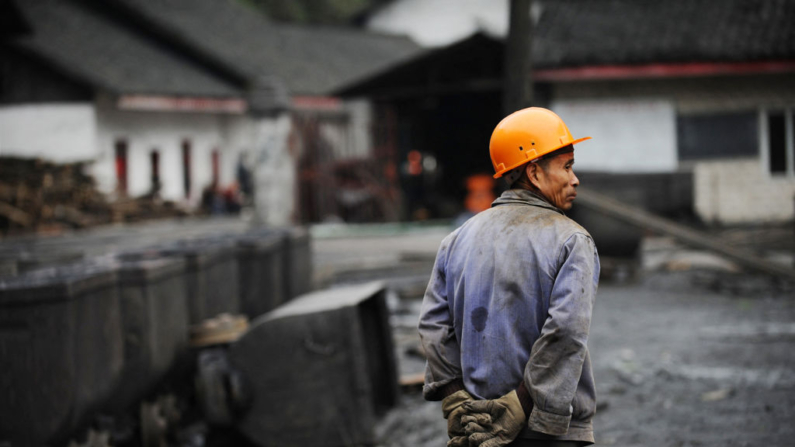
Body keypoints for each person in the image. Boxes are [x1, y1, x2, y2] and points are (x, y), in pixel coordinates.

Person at [418, 107, 600, 447]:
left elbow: (432, 329)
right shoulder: (572, 240)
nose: (575, 179)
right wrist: (520, 405)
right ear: (534, 171)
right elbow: (565, 332)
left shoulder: (456, 240)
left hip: (476, 427)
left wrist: (456, 399)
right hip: (547, 434)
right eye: (567, 166)